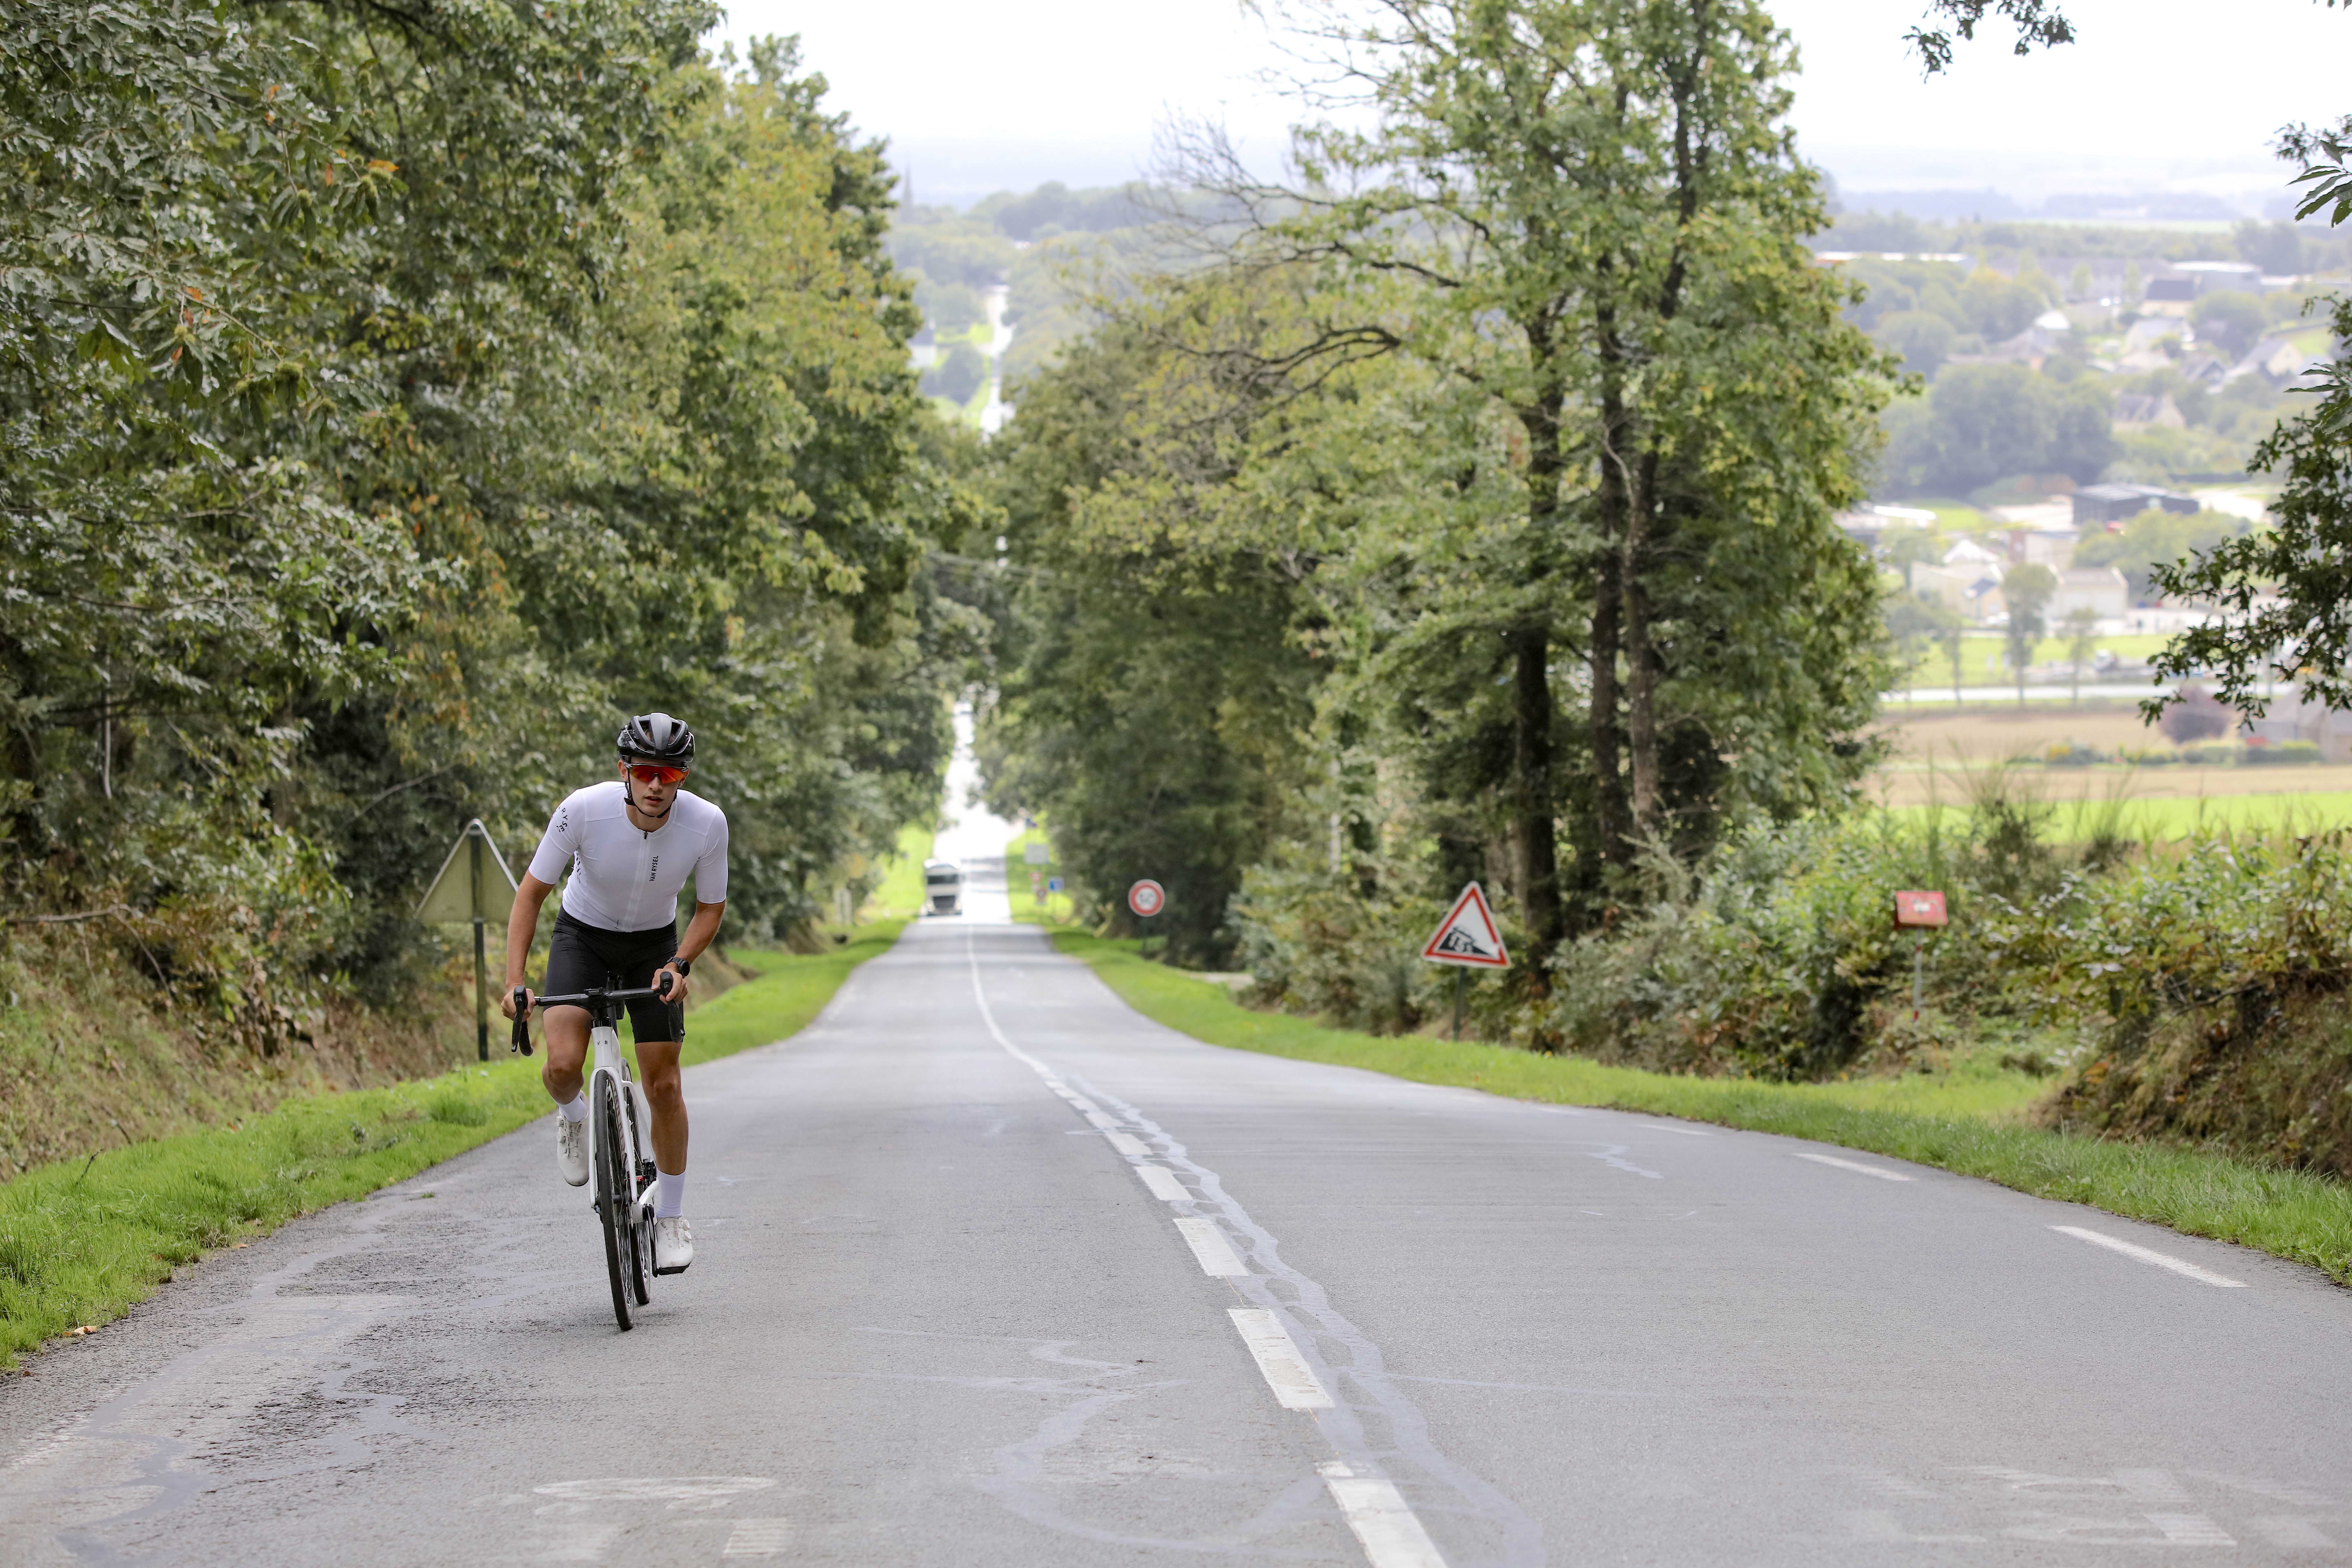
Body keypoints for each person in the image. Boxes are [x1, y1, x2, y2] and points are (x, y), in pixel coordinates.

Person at [501, 713, 728, 1275]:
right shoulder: (582, 810)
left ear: (682, 778)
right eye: (646, 771)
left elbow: (710, 907)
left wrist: (680, 963)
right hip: (583, 937)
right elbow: (530, 897)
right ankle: (576, 1115)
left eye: (670, 774)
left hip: (656, 946)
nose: (657, 785)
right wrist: (514, 984)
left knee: (666, 1084)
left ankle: (671, 1217)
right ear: (625, 771)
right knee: (559, 1066)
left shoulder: (707, 824)